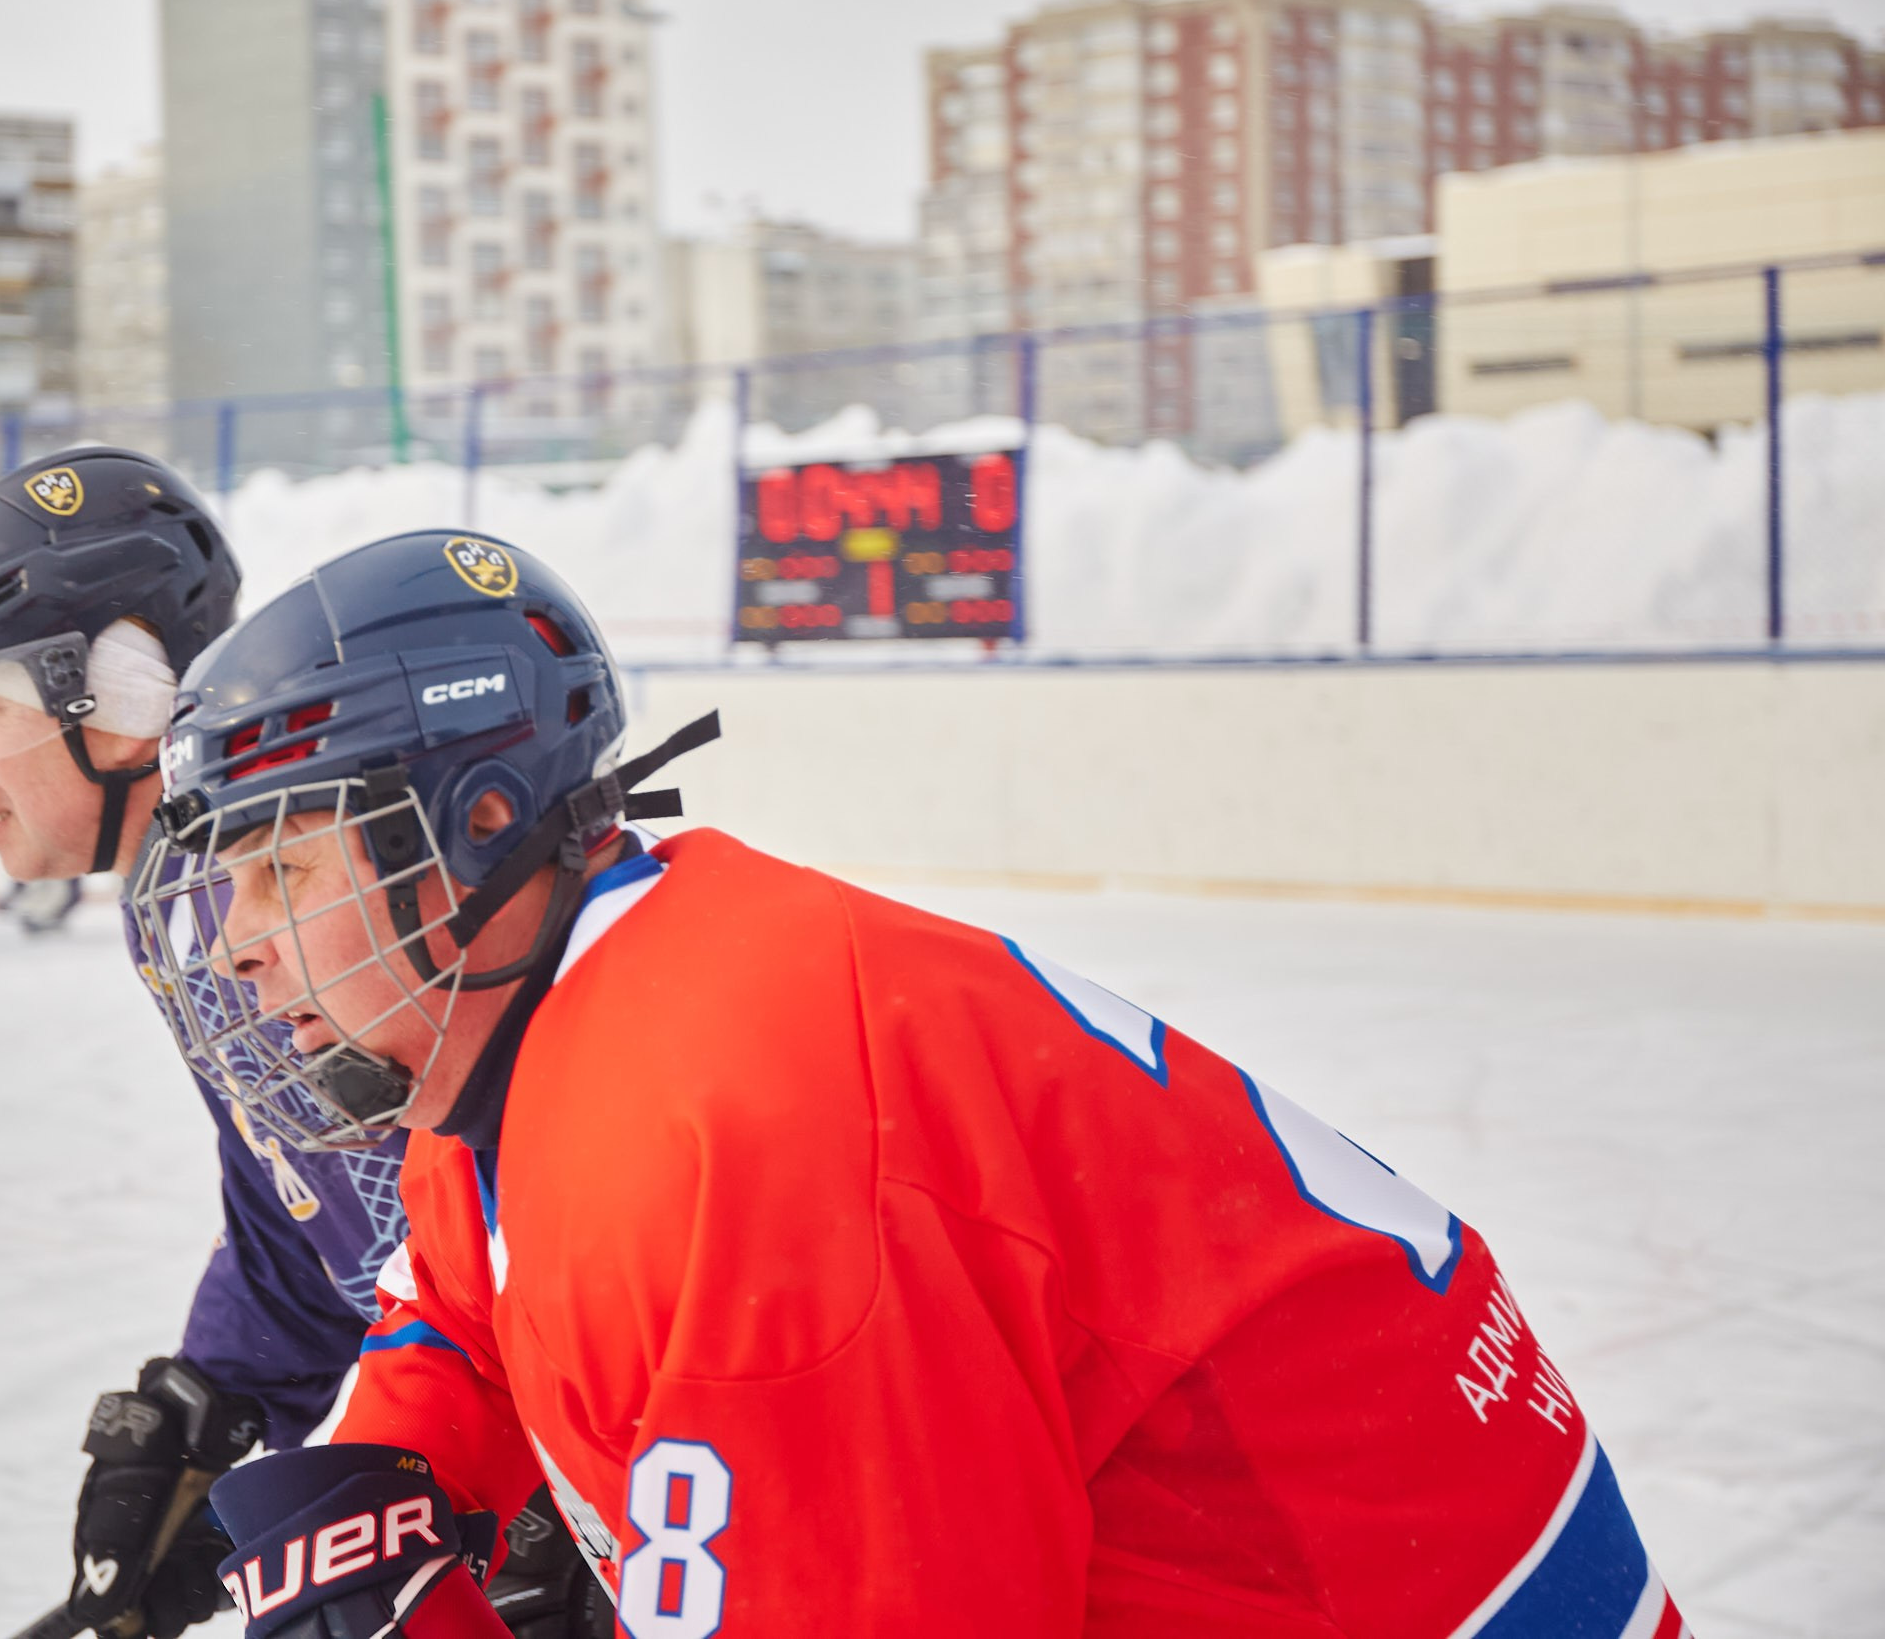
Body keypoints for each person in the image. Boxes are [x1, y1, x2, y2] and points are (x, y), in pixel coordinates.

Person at [133, 528, 1691, 1639]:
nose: (244, 946)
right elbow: (460, 1298)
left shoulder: (728, 1146)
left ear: (469, 825)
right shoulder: (520, 1017)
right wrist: (389, 1471)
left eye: (281, 869)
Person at [0, 453, 606, 1639]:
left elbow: (508, 1216)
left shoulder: (330, 896)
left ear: (117, 697)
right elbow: (306, 1213)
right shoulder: (175, 906)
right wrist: (219, 1403)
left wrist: (556, 1467)